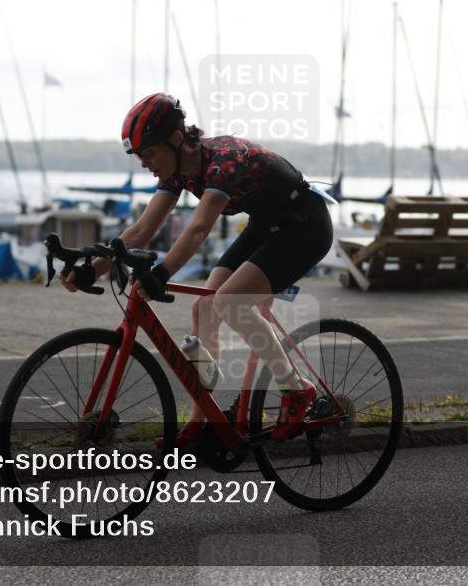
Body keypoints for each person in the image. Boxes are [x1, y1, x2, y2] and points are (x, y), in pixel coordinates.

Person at [61, 93, 334, 447]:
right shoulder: (176, 172)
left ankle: (296, 390)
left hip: (304, 225)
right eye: (139, 157)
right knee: (204, 307)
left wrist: (163, 272)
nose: (145, 164)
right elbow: (141, 230)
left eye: (149, 154)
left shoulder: (223, 161)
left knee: (230, 303)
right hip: (267, 222)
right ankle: (202, 424)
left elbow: (199, 227)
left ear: (176, 139)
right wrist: (93, 270)